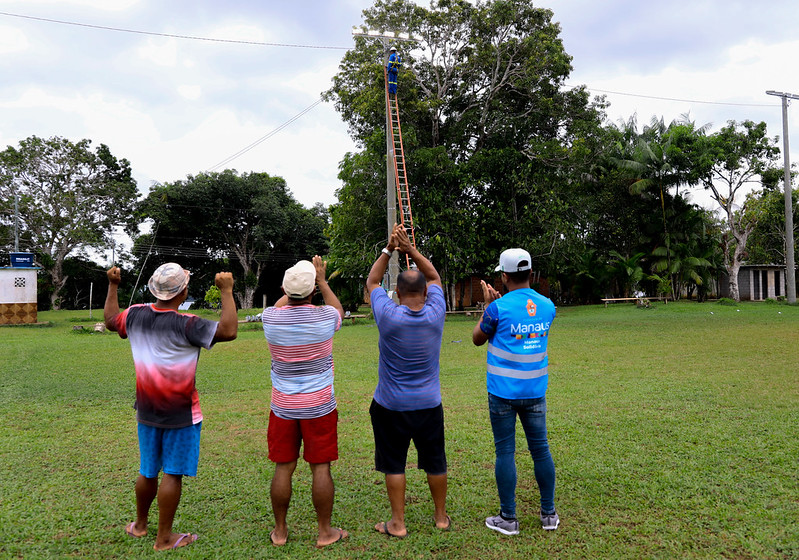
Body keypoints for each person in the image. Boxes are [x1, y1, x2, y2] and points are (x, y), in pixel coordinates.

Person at [104, 263, 238, 551]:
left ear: (154, 288)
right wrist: (226, 291)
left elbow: (111, 319)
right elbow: (229, 330)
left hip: (146, 411)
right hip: (182, 414)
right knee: (172, 474)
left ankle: (140, 526)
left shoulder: (136, 314)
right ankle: (164, 538)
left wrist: (113, 285)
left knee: (147, 470)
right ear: (184, 291)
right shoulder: (188, 323)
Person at [366, 223, 450, 538]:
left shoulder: (388, 315)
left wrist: (390, 248)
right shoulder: (435, 313)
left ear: (398, 293)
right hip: (429, 404)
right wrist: (410, 249)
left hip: (390, 405)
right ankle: (440, 517)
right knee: (435, 461)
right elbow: (435, 277)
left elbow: (373, 281)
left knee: (394, 464)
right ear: (427, 294)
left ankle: (398, 524)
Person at [261, 256, 348, 549]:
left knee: (283, 468)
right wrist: (321, 281)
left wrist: (296, 287)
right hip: (320, 406)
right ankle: (325, 532)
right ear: (313, 291)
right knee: (320, 468)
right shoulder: (325, 318)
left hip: (283, 408)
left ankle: (281, 531)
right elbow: (339, 310)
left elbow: (279, 304)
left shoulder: (270, 319)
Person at [472, 248, 559, 534]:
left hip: (502, 394)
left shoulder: (497, 309)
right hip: (535, 391)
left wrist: (488, 307)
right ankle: (549, 514)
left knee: (505, 452)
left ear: (504, 276)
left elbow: (477, 338)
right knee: (541, 450)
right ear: (531, 274)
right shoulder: (548, 306)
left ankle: (508, 518)